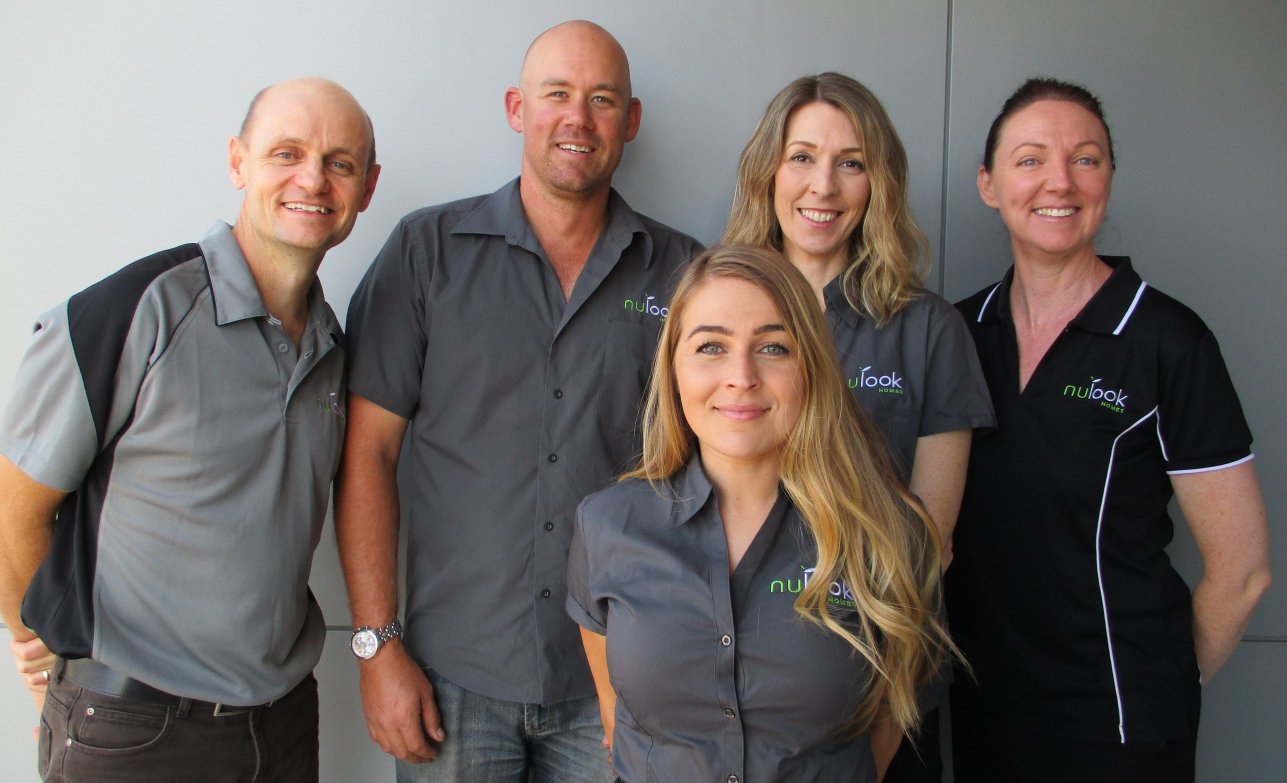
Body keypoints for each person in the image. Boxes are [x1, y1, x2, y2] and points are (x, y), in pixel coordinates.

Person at [336, 20, 701, 782]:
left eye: (602, 100)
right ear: (516, 108)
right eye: (556, 94)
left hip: (618, 677)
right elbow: (367, 452)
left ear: (630, 120)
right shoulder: (426, 252)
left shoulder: (684, 274)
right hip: (452, 674)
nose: (578, 119)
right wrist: (375, 646)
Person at [0, 77, 381, 782]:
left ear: (367, 188)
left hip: (282, 726)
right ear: (238, 162)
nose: (312, 180)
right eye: (286, 153)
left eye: (339, 163)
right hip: (133, 733)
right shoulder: (134, 310)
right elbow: (12, 504)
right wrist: (41, 646)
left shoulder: (333, 346)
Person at [948, 77, 1272, 783]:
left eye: (1085, 158)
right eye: (1030, 159)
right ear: (988, 184)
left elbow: (1243, 572)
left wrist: (1164, 687)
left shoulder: (1166, 341)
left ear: (1108, 179)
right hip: (983, 712)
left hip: (1117, 727)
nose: (1059, 181)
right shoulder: (958, 333)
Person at [567, 245, 954, 782]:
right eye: (711, 347)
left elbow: (889, 723)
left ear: (810, 366)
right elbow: (617, 714)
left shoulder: (889, 534)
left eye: (773, 347)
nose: (741, 376)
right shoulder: (607, 525)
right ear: (673, 368)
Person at [723, 72, 994, 779]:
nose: (824, 186)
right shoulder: (714, 311)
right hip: (733, 677)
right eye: (802, 157)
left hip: (877, 675)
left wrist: (881, 725)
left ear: (879, 184)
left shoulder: (929, 330)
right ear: (767, 173)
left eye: (852, 163)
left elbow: (928, 542)